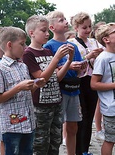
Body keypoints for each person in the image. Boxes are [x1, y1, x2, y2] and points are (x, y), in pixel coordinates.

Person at [22, 15, 74, 155]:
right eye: (43, 30)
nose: (47, 34)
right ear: (32, 33)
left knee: (55, 142)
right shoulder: (28, 54)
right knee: (40, 143)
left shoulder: (47, 51)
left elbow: (56, 77)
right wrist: (56, 58)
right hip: (40, 106)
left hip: (56, 101)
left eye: (47, 31)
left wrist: (68, 61)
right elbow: (40, 78)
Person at [0, 26, 45, 155]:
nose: (25, 47)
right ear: (9, 45)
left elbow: (26, 92)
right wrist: (18, 87)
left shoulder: (23, 66)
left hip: (28, 123)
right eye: (22, 44)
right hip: (12, 126)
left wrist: (36, 85)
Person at [43, 11, 85, 155]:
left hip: (74, 90)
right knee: (56, 127)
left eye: (65, 19)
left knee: (73, 127)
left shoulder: (72, 45)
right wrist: (68, 65)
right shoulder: (49, 46)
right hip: (60, 90)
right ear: (52, 27)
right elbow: (48, 70)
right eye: (61, 20)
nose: (66, 22)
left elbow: (79, 68)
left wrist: (81, 67)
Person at [68, 12, 103, 155]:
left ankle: (85, 150)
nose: (88, 30)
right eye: (84, 27)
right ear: (76, 27)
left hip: (92, 80)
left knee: (89, 118)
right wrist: (88, 56)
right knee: (81, 117)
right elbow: (72, 63)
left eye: (89, 27)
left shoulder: (94, 42)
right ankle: (78, 150)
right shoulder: (72, 43)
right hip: (80, 81)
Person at [91, 22, 115, 155]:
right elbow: (94, 84)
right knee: (110, 140)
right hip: (111, 108)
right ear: (106, 40)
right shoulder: (103, 59)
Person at [90, 21, 106, 141]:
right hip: (101, 79)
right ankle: (99, 129)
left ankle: (104, 128)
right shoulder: (97, 49)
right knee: (99, 104)